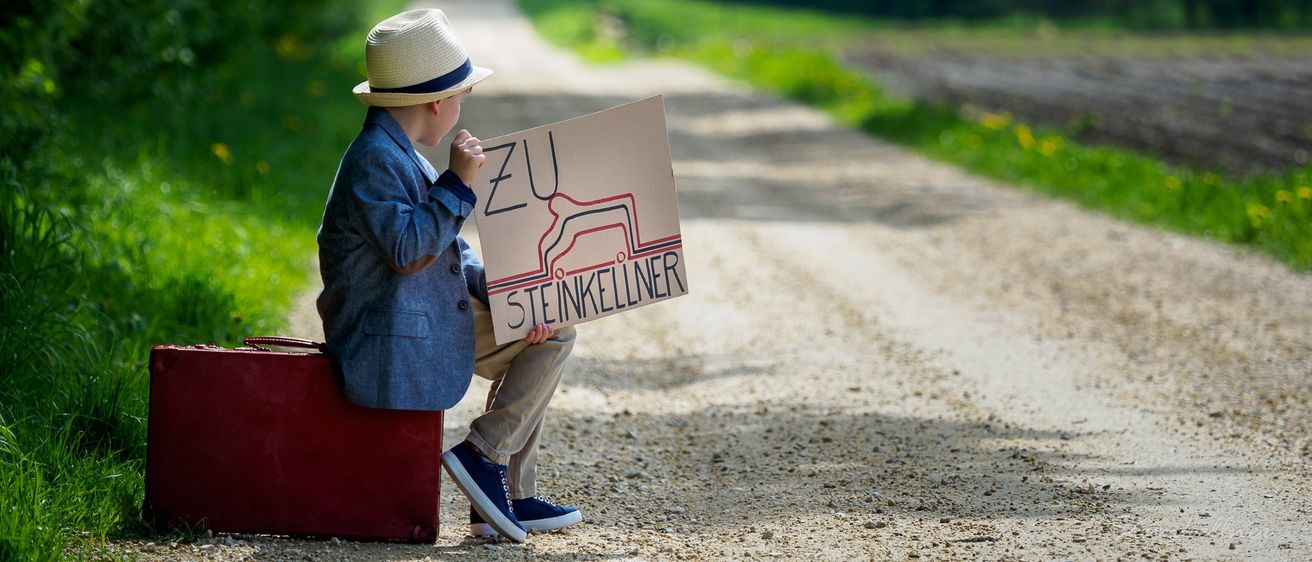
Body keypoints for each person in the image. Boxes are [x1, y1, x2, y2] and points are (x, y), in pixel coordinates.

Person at [315, 8, 580, 543]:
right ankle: (482, 454)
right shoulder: (374, 159)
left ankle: (505, 492)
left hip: (419, 317)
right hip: (390, 334)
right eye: (461, 96)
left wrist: (512, 295)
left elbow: (452, 251)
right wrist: (458, 185)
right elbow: (409, 250)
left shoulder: (402, 155)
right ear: (437, 102)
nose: (460, 108)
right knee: (550, 339)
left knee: (550, 330)